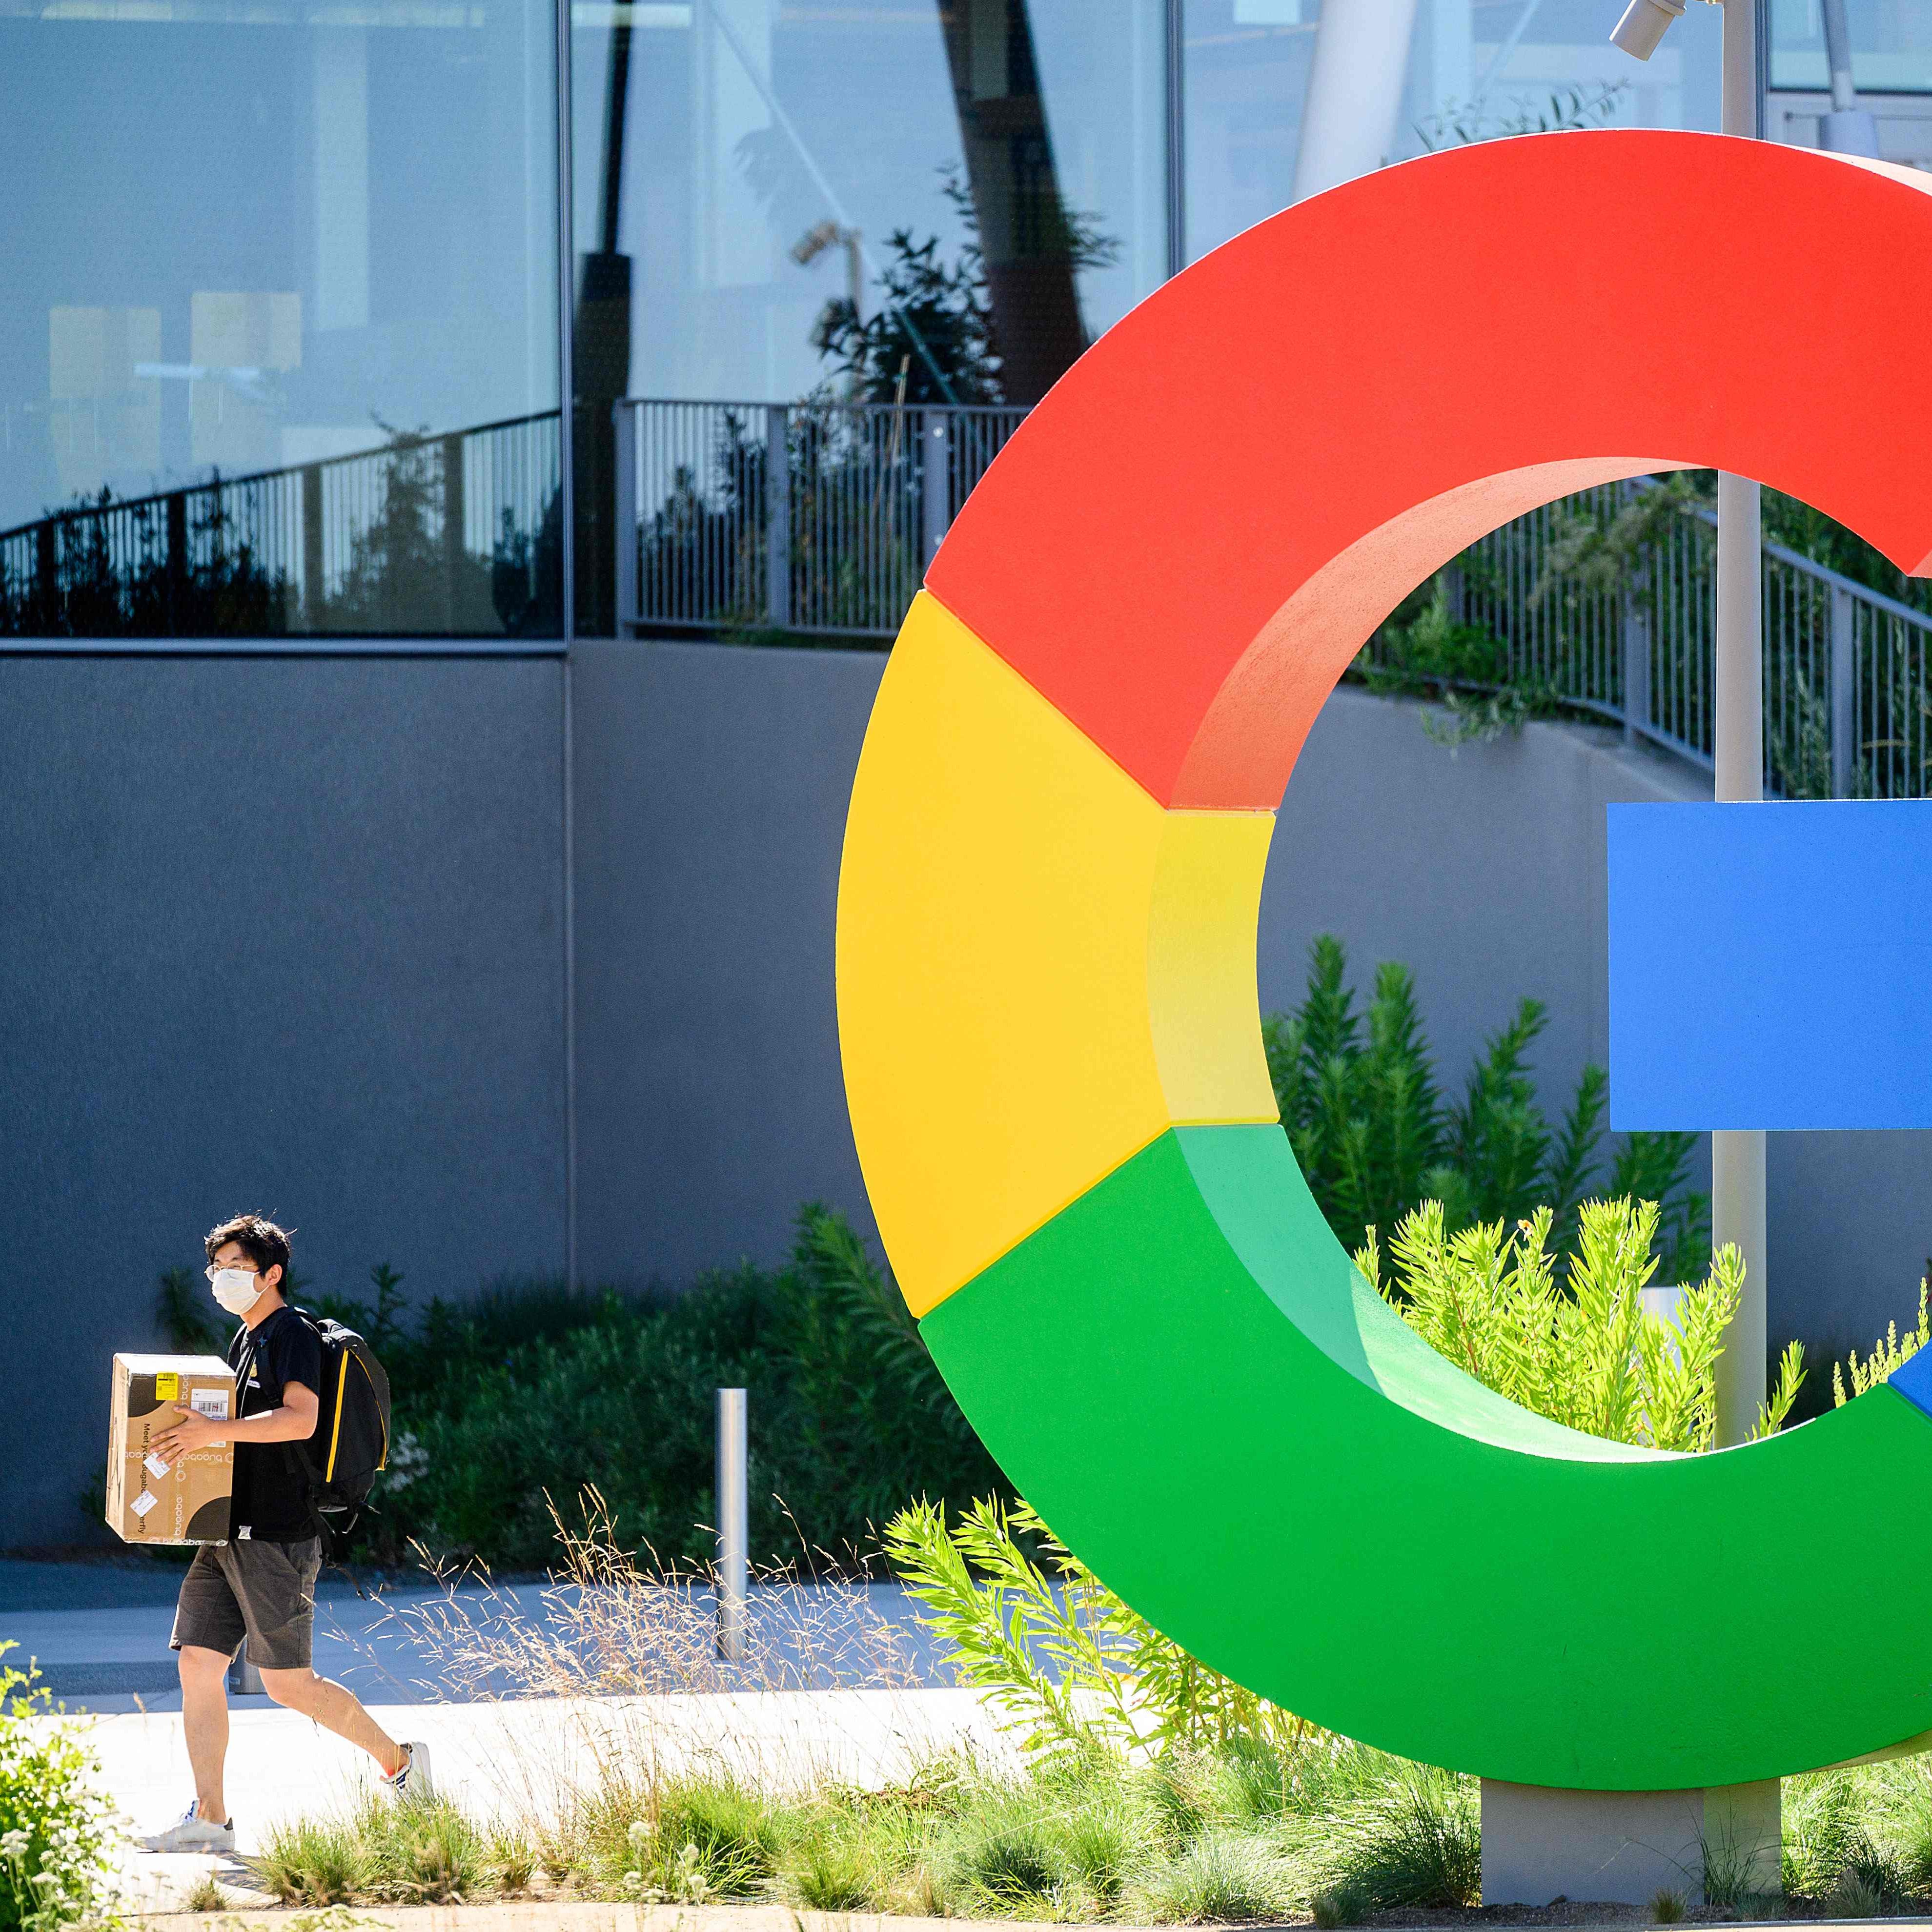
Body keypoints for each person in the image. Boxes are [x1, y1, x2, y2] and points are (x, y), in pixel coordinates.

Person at [139, 1213, 428, 1854]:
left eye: (235, 1268)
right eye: (216, 1269)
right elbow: (239, 1430)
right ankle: (211, 1820)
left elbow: (299, 1421)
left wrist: (212, 1433)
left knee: (287, 1683)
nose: (221, 1279)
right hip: (228, 1533)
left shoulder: (290, 1333)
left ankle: (401, 1764)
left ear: (271, 1274)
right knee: (197, 1666)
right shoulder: (247, 1339)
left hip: (275, 1535)